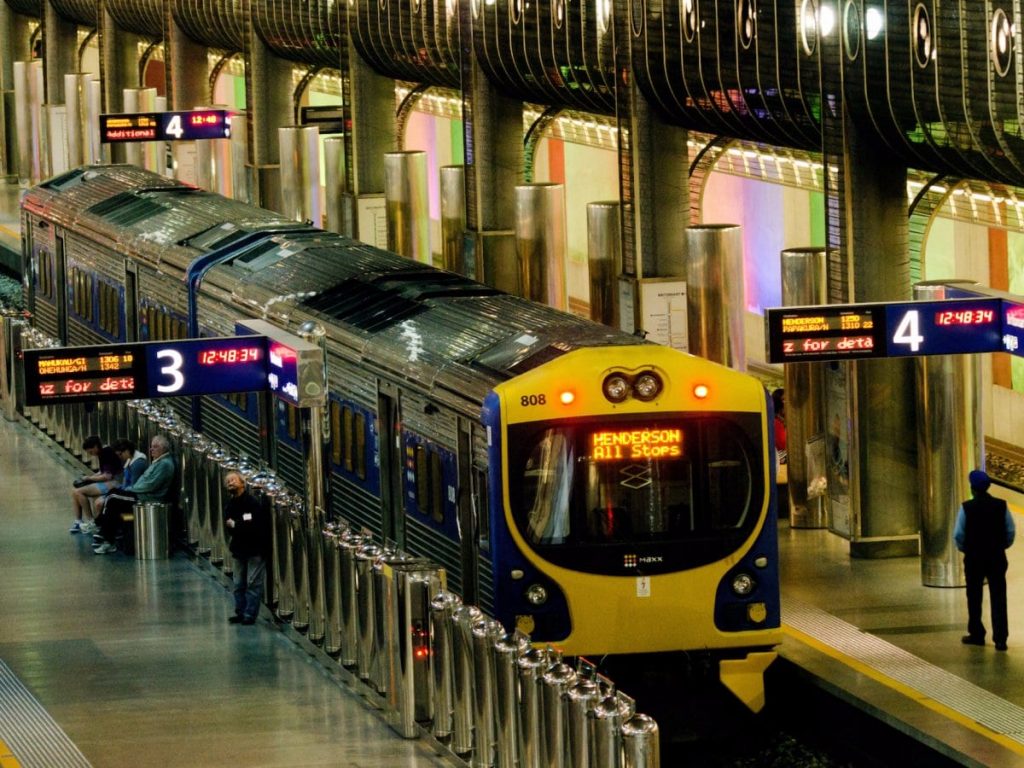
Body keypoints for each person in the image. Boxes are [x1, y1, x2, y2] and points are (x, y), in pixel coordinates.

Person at [954, 469, 1015, 651]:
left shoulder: (966, 508)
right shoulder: (1001, 505)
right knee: (998, 596)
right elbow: (1010, 531)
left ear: (972, 488)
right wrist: (1001, 546)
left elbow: (958, 535)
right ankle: (1001, 639)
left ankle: (977, 634)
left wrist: (967, 549)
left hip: (974, 558)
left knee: (974, 596)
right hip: (996, 557)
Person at [92, 434, 176, 555]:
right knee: (113, 496)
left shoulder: (164, 464)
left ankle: (103, 530)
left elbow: (150, 484)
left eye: (155, 447)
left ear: (163, 448)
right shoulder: (158, 462)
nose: (151, 450)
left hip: (145, 498)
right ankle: (105, 532)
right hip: (140, 493)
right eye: (151, 447)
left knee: (112, 498)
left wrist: (130, 489)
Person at [222, 471, 268, 625]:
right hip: (239, 548)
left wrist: (237, 524)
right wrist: (238, 524)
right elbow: (230, 525)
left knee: (253, 582)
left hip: (255, 548)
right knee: (238, 583)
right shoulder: (230, 504)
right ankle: (240, 611)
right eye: (228, 481)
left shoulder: (252, 503)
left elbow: (253, 523)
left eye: (233, 480)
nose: (230, 483)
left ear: (242, 483)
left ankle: (250, 614)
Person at [70, 436, 121, 535]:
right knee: (74, 490)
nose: (91, 454)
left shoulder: (106, 453)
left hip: (114, 483)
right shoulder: (103, 452)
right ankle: (78, 521)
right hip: (109, 481)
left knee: (78, 492)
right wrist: (90, 477)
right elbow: (102, 472)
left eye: (90, 452)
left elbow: (107, 476)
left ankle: (91, 521)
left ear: (95, 447)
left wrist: (89, 479)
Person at [91, 439, 148, 524]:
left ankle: (106, 526)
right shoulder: (129, 460)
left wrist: (119, 493)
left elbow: (134, 486)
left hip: (135, 495)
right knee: (104, 498)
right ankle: (101, 523)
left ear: (127, 451)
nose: (119, 457)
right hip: (127, 490)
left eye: (120, 454)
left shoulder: (138, 464)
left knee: (106, 502)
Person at [771, 388, 789, 517]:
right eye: (784, 400)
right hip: (781, 457)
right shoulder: (776, 422)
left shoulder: (782, 422)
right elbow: (783, 443)